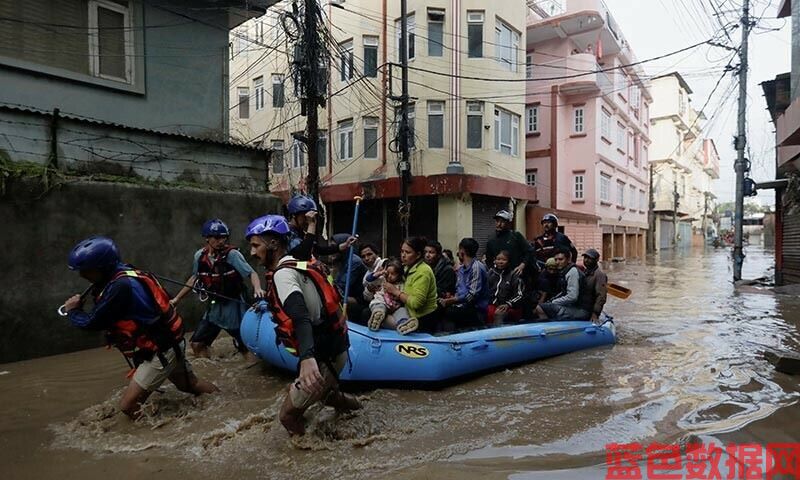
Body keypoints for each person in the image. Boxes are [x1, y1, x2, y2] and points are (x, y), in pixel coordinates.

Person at [62, 236, 218, 419]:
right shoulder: (126, 273)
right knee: (190, 384)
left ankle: (161, 439)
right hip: (169, 343)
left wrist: (73, 311)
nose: (82, 275)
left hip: (161, 350)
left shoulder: (119, 287)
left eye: (86, 271)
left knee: (128, 406)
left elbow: (92, 322)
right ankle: (224, 402)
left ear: (102, 267)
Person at [245, 215, 360, 436]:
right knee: (330, 397)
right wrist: (311, 224)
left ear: (274, 244)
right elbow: (308, 245)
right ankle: (359, 411)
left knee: (287, 416)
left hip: (322, 354)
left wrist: (307, 358)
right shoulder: (294, 260)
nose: (252, 252)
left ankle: (310, 457)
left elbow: (300, 315)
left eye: (255, 245)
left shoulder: (283, 275)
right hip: (334, 347)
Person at [170, 219, 265, 357]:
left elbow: (251, 273)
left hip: (234, 308)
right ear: (207, 238)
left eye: (224, 237)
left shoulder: (232, 255)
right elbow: (194, 278)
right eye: (217, 237)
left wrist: (257, 288)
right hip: (214, 309)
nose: (221, 241)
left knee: (247, 348)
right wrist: (177, 299)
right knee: (197, 345)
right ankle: (213, 363)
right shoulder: (199, 256)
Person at [382, 236, 439, 334]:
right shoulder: (406, 267)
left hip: (421, 319)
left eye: (407, 252)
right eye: (402, 251)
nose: (403, 255)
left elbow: (416, 303)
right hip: (406, 311)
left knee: (380, 319)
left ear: (418, 255)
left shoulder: (423, 271)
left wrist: (395, 292)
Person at [438, 238, 490, 331]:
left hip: (476, 309)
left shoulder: (476, 267)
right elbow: (459, 290)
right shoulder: (461, 269)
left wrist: (452, 300)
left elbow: (472, 295)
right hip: (462, 306)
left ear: (462, 251)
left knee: (447, 312)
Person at [285, 195, 356, 261]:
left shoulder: (301, 233)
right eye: (305, 217)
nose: (308, 221)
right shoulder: (287, 233)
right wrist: (312, 225)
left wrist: (344, 245)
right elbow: (304, 253)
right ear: (294, 215)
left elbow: (318, 249)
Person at [535, 247, 593, 321]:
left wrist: (554, 302)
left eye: (561, 259)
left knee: (539, 308)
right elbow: (563, 292)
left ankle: (548, 328)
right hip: (574, 307)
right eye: (556, 259)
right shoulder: (565, 271)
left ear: (568, 260)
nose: (557, 262)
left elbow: (572, 296)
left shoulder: (572, 272)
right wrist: (552, 300)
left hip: (580, 310)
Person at [365, 260, 414, 333]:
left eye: (393, 274)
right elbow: (368, 279)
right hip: (381, 302)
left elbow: (403, 296)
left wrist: (397, 296)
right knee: (379, 306)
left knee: (402, 311)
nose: (390, 276)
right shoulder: (382, 279)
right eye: (388, 273)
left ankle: (404, 324)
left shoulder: (402, 284)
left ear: (399, 274)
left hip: (395, 307)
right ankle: (377, 316)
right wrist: (380, 273)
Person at [485, 210, 533, 276]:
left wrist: (522, 265)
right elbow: (489, 259)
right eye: (497, 221)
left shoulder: (516, 236)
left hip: (516, 274)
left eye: (502, 222)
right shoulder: (491, 240)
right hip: (500, 276)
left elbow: (529, 251)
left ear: (508, 223)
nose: (499, 224)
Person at [486, 250, 525, 326]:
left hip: (510, 306)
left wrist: (508, 304)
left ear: (509, 261)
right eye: (498, 259)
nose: (500, 262)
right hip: (492, 304)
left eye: (504, 260)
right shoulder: (491, 273)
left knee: (498, 314)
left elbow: (520, 295)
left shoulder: (514, 275)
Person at [582, 248, 608, 322]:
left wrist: (595, 314)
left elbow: (601, 296)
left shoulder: (599, 275)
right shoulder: (585, 272)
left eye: (589, 258)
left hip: (589, 310)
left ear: (596, 260)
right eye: (585, 257)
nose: (586, 260)